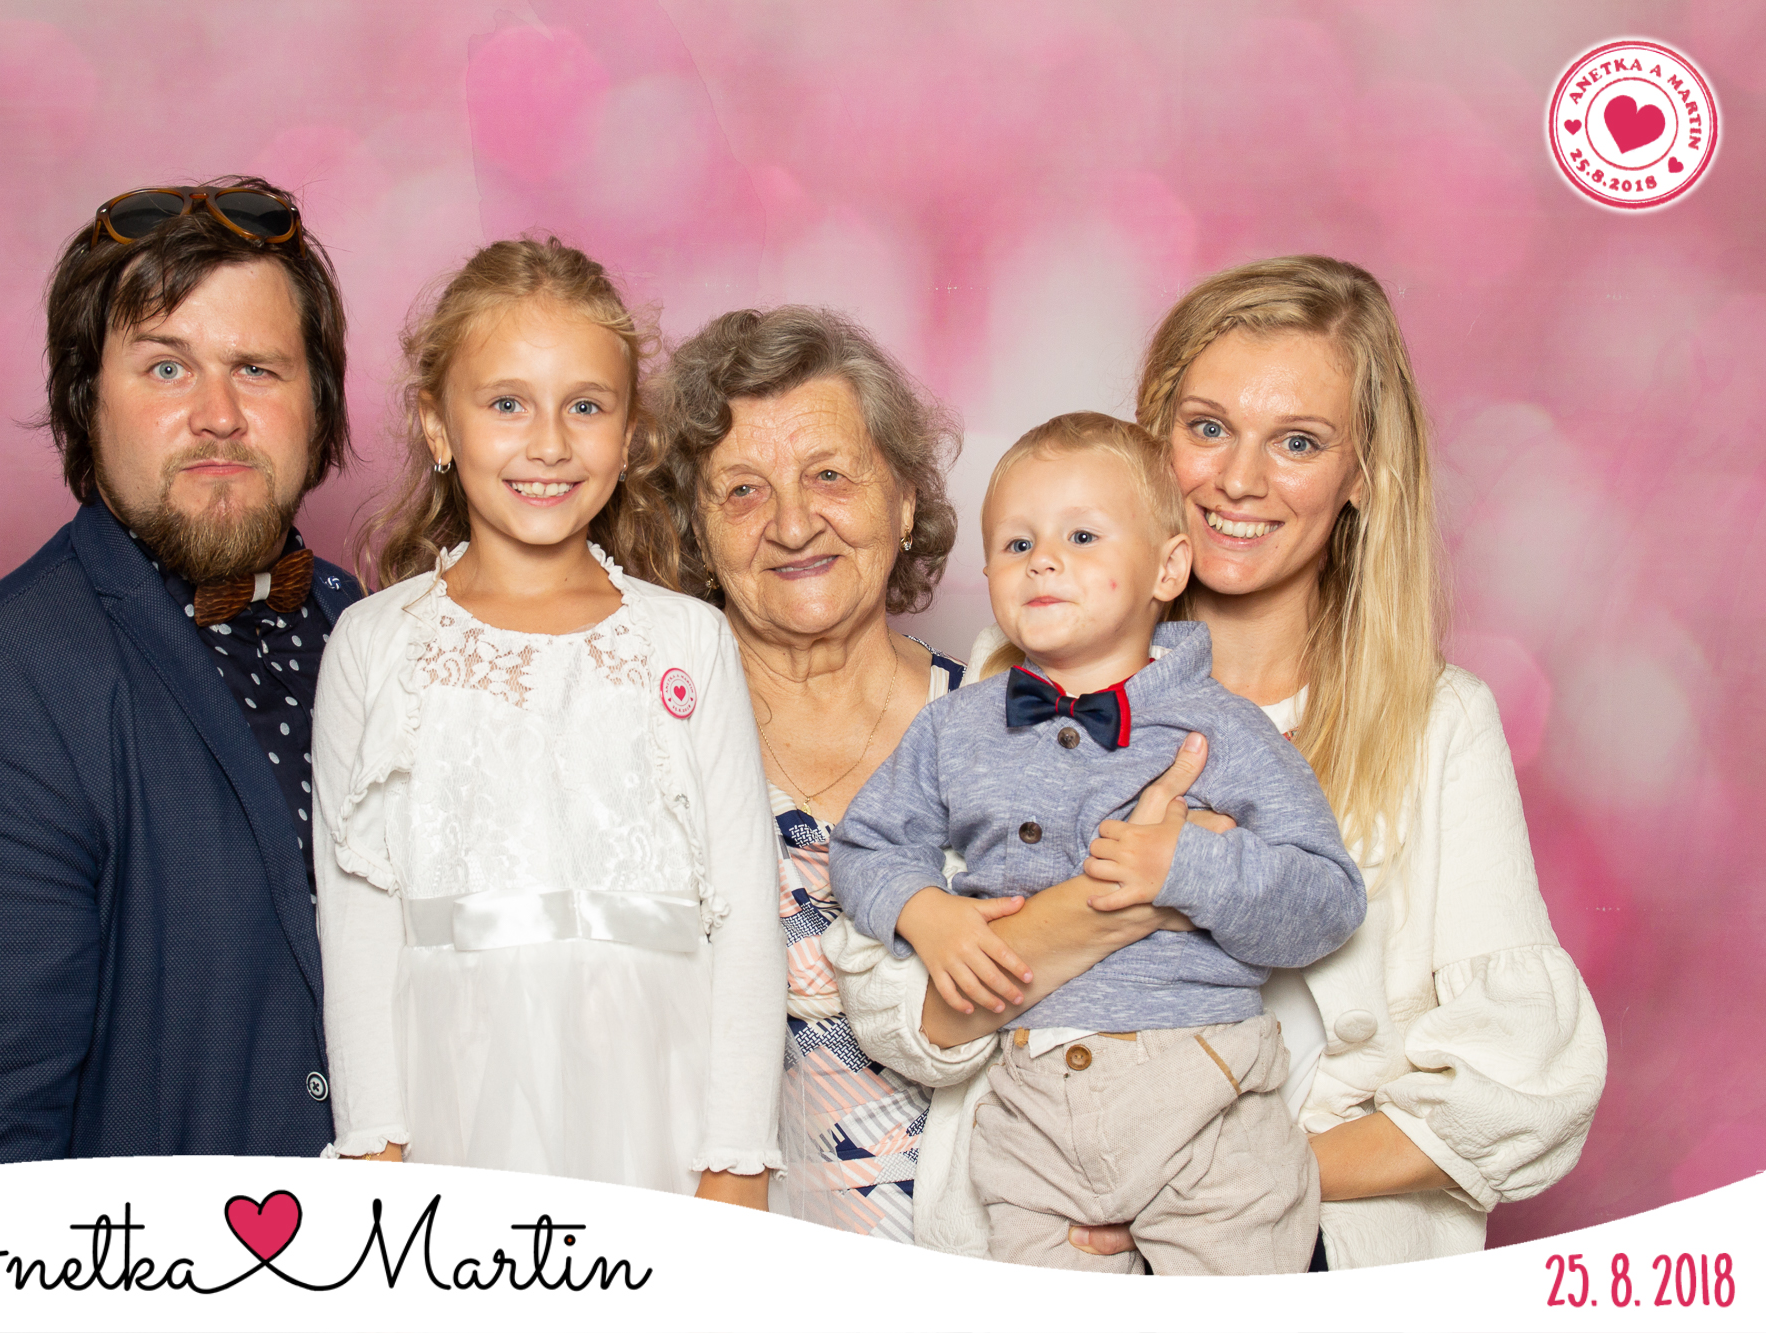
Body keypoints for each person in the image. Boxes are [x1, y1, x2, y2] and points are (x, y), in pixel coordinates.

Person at [827, 255, 1607, 1268]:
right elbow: (896, 1009)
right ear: (1154, 443)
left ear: (1362, 474)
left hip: (1296, 1244)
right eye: (1206, 429)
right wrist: (1094, 912)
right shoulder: (1012, 680)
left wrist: (1220, 1181)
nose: (1239, 479)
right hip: (1038, 1213)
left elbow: (1526, 1081)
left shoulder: (1437, 723)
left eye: (1297, 441)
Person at [0, 179, 360, 1188]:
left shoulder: (388, 637)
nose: (218, 415)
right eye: (166, 367)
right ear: (87, 401)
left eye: (257, 369)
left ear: (318, 404)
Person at [832, 413, 1366, 1273]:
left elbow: (1329, 899)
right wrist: (925, 911)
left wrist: (1187, 864)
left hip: (1206, 1092)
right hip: (1032, 1109)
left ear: (1168, 568)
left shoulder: (1223, 728)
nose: (1043, 560)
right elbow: (864, 846)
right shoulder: (955, 727)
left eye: (1081, 536)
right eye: (1016, 543)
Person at [310, 238, 781, 1206]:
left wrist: (734, 1164)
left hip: (663, 1112)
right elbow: (357, 934)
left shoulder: (686, 641)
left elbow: (743, 919)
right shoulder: (374, 645)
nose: (550, 443)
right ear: (437, 424)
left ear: (630, 431)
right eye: (506, 404)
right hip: (453, 1117)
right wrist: (373, 1160)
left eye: (586, 406)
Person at [657, 304, 989, 1239]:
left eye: (830, 475)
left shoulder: (1007, 730)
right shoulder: (651, 744)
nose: (795, 523)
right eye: (743, 491)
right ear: (697, 534)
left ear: (905, 500)